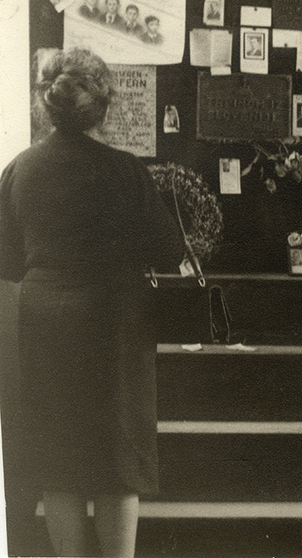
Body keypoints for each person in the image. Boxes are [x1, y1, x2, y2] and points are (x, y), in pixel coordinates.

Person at [0, 49, 184, 558]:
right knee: (116, 458)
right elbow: (169, 249)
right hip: (114, 322)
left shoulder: (21, 168)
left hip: (42, 323)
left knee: (58, 457)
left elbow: (8, 263)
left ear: (48, 104)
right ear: (103, 107)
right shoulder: (126, 171)